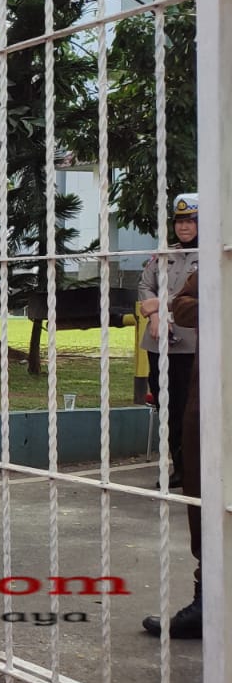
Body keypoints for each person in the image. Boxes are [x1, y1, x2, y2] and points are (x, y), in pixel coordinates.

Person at [144, 268, 203, 638]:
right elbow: (184, 305)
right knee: (204, 495)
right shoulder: (219, 252)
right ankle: (208, 600)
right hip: (214, 389)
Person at [138, 193, 199, 489]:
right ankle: (179, 466)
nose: (184, 227)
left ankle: (197, 467)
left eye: (190, 221)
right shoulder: (164, 254)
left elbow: (198, 295)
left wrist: (161, 306)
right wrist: (154, 316)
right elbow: (145, 285)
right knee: (168, 406)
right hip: (159, 343)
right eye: (180, 221)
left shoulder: (212, 255)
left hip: (192, 345)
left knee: (191, 408)